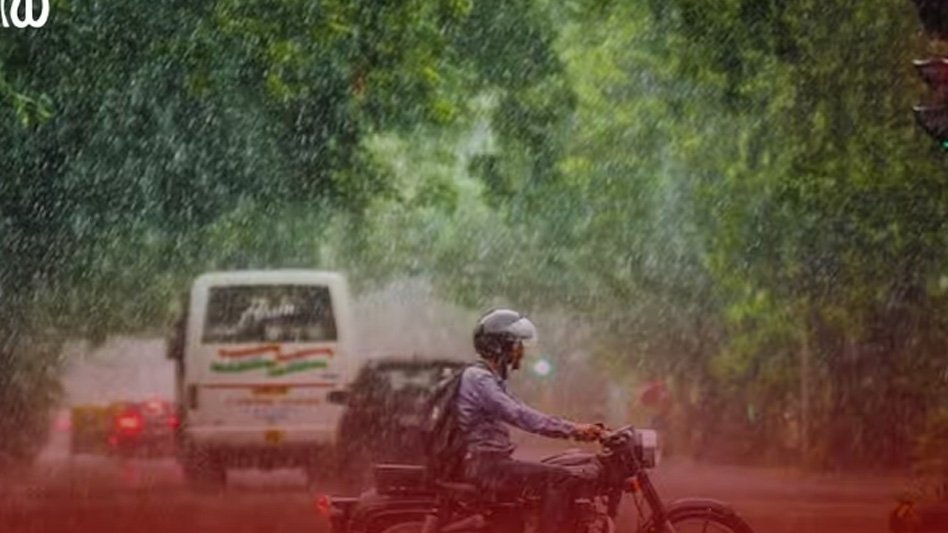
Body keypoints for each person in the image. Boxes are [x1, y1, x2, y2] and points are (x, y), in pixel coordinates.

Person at [457, 309, 603, 533]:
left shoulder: (491, 378)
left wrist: (577, 429)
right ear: (500, 346)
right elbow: (518, 414)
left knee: (559, 469)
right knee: (560, 479)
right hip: (485, 465)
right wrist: (572, 430)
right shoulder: (479, 378)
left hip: (491, 462)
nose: (521, 352)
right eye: (518, 345)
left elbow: (522, 409)